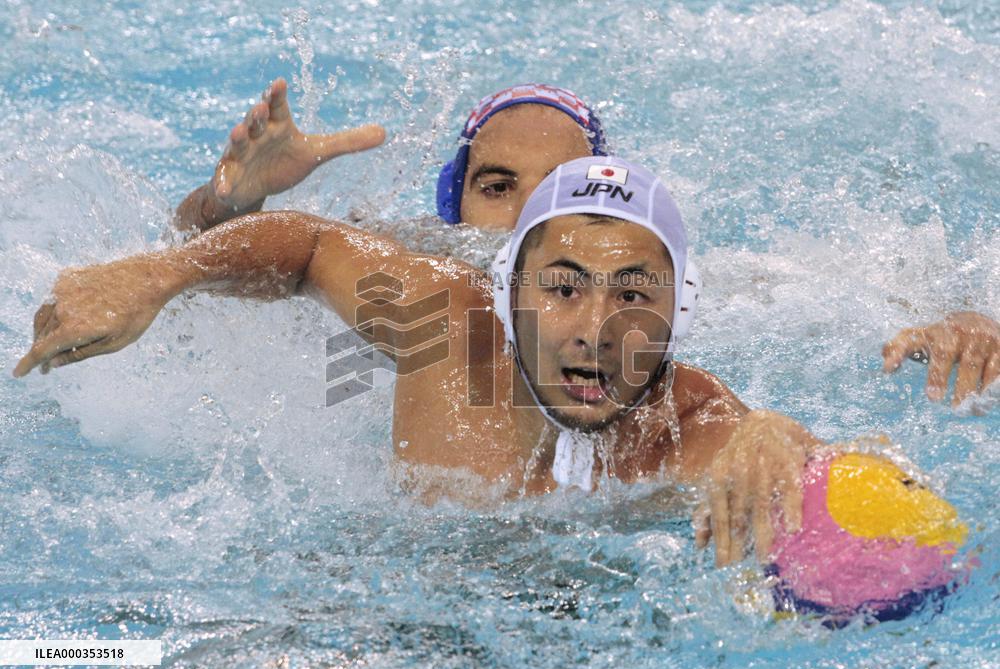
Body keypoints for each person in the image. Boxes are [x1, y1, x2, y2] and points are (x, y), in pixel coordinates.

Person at [15, 157, 822, 569]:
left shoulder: (696, 427)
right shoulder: (451, 321)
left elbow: (820, 474)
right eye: (565, 288)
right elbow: (311, 243)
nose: (596, 330)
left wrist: (783, 438)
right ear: (509, 293)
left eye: (635, 294)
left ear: (679, 310)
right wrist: (161, 274)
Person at [173, 78, 1000, 408]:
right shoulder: (402, 261)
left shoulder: (660, 293)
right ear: (453, 203)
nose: (524, 225)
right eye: (498, 188)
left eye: (554, 194)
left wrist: (960, 320)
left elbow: (862, 289)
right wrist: (227, 203)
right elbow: (204, 267)